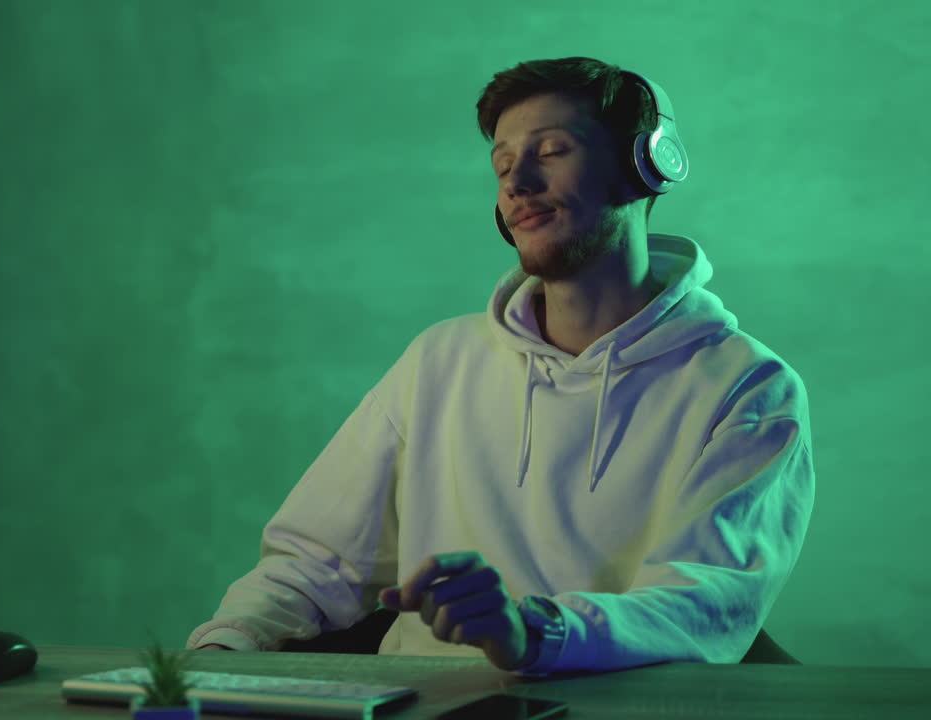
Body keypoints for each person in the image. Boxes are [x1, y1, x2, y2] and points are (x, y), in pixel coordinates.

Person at [188, 57, 814, 676]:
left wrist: (533, 632)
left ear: (642, 166)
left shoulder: (747, 386)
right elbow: (314, 564)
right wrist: (222, 649)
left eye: (552, 150)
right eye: (504, 164)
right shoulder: (438, 361)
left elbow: (704, 604)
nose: (518, 183)